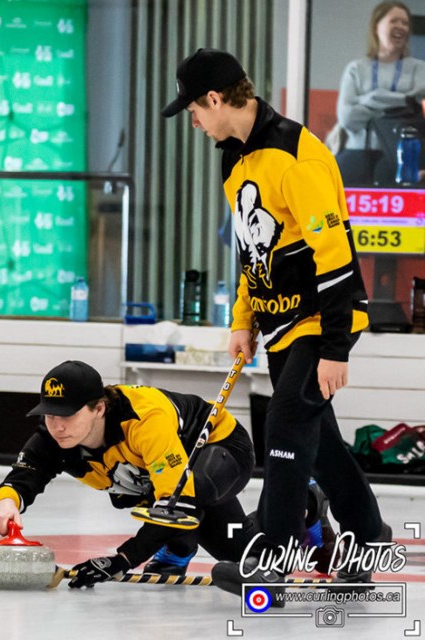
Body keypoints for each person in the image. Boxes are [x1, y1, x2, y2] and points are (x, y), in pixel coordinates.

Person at [161, 48, 390, 599]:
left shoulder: (294, 157)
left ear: (216, 99)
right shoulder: (234, 156)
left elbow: (335, 255)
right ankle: (367, 536)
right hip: (281, 325)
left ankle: (274, 560)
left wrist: (336, 347)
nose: (192, 120)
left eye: (193, 108)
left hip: (322, 319)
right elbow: (252, 248)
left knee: (286, 422)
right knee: (322, 444)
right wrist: (244, 319)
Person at [0, 360, 261, 587]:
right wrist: (6, 503)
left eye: (67, 415)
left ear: (99, 408)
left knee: (192, 500)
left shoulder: (144, 420)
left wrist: (122, 560)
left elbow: (179, 505)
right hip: (162, 480)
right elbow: (24, 475)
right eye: (50, 415)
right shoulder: (53, 435)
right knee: (237, 547)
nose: (57, 426)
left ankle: (301, 506)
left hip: (220, 448)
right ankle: (182, 545)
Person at [335, 2, 425, 183]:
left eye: (405, 23)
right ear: (377, 26)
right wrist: (398, 104)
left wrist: (366, 101)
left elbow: (415, 108)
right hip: (358, 153)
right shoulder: (355, 69)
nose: (401, 27)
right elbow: (348, 118)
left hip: (402, 157)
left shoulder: (419, 69)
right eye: (394, 21)